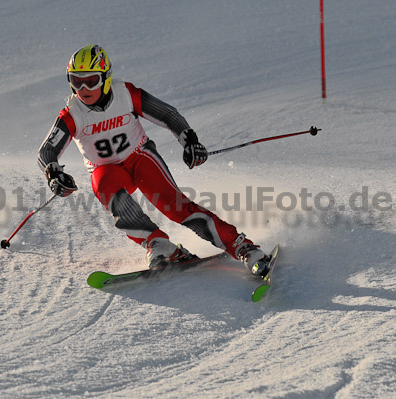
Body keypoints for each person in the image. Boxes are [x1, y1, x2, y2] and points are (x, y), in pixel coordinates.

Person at [38, 44, 269, 276]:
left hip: (140, 158)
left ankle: (243, 248)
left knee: (176, 207)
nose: (83, 88)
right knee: (103, 185)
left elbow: (167, 114)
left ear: (106, 78)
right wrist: (53, 172)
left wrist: (189, 140)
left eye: (91, 81)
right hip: (108, 171)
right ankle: (159, 244)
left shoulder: (125, 94)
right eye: (76, 81)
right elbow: (47, 150)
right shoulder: (73, 113)